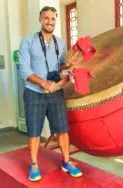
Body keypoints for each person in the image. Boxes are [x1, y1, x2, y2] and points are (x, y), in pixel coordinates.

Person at [19, 6, 82, 181]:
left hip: (55, 93)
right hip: (34, 92)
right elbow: (24, 70)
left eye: (53, 19)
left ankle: (66, 161)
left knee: (62, 129)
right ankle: (33, 164)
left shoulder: (60, 43)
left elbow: (60, 67)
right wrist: (43, 83)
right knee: (34, 131)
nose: (50, 22)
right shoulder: (27, 41)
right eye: (46, 18)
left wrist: (67, 65)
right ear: (40, 19)